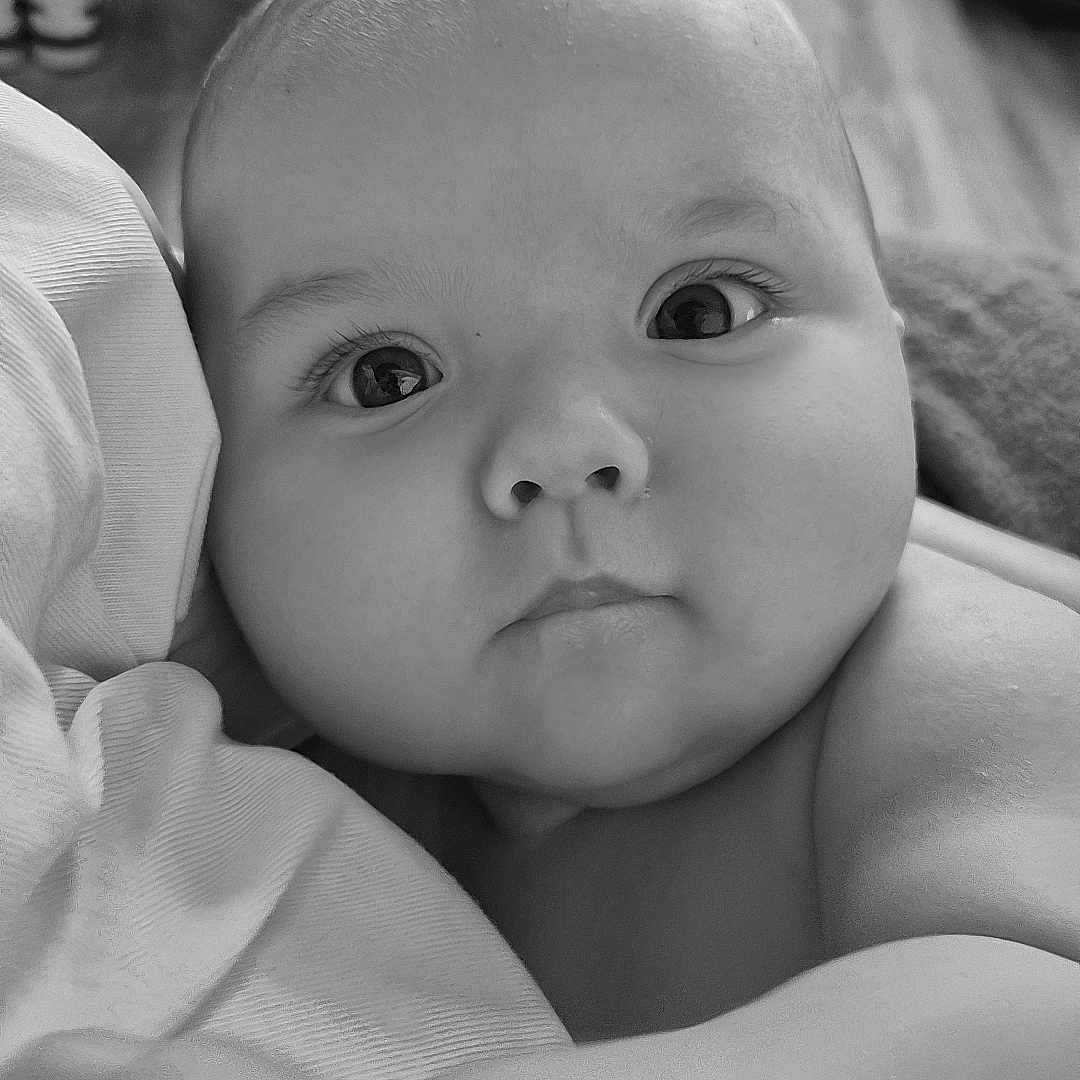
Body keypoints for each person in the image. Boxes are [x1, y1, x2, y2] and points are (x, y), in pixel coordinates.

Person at [179, 0, 1080, 1073]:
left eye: (699, 312)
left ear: (894, 352)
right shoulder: (267, 785)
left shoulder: (958, 684)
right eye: (387, 378)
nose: (563, 447)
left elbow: (1034, 1017)